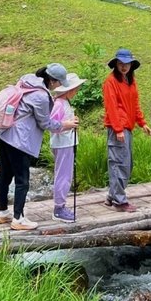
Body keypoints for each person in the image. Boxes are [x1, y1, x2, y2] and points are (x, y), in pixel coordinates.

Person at [0, 63, 76, 231]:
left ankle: (2, 213)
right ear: (52, 81)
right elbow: (45, 123)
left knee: (5, 175)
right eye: (59, 82)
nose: (59, 86)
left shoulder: (28, 82)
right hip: (19, 140)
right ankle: (18, 219)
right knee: (22, 180)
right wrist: (65, 124)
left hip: (5, 133)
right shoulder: (41, 96)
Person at [102, 48, 150, 212]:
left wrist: (142, 123)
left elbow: (135, 104)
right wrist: (118, 129)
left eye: (127, 64)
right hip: (118, 129)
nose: (124, 67)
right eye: (121, 63)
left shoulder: (130, 81)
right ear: (116, 64)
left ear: (131, 65)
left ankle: (112, 196)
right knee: (119, 163)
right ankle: (119, 201)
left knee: (127, 164)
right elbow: (111, 107)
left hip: (127, 127)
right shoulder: (110, 82)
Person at [49, 71, 85, 223]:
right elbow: (52, 126)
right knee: (63, 175)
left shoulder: (64, 102)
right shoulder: (59, 104)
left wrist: (71, 120)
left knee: (66, 174)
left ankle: (61, 205)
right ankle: (59, 208)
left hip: (67, 143)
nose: (77, 91)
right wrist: (69, 124)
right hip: (63, 144)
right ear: (69, 90)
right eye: (76, 89)